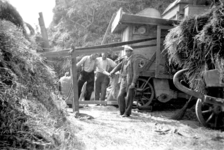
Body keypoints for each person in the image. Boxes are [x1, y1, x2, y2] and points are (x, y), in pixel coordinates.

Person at [109, 45, 139, 117]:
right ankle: (122, 112)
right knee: (120, 96)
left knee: (129, 97)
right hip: (123, 79)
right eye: (126, 51)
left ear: (131, 52)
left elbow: (136, 73)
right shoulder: (125, 59)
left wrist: (133, 83)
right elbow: (119, 66)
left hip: (130, 80)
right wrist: (112, 71)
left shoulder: (134, 60)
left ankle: (127, 113)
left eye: (128, 51)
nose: (127, 52)